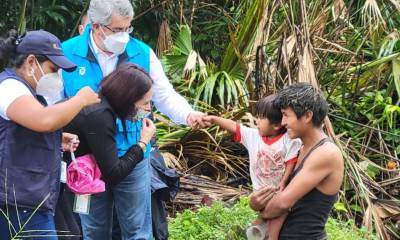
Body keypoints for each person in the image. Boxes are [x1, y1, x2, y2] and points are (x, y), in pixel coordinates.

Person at [61, 0, 205, 238]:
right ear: (96, 27)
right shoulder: (67, 53)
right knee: (93, 230)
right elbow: (52, 104)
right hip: (88, 159)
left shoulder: (141, 52)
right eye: (117, 30)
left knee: (137, 230)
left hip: (133, 152)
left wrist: (188, 114)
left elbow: (164, 95)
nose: (124, 36)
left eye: (128, 29)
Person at [0, 29, 100, 239]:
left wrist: (56, 138)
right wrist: (80, 100)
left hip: (28, 201)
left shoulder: (29, 92)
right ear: (30, 62)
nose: (57, 77)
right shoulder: (9, 88)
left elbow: (23, 129)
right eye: (53, 69)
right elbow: (44, 120)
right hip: (17, 205)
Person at [62, 63, 156, 239]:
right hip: (78, 174)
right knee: (95, 231)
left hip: (91, 169)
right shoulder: (100, 115)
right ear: (128, 99)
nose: (149, 108)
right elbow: (113, 173)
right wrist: (143, 142)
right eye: (145, 102)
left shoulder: (102, 104)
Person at [250, 83, 344, 239]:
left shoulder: (326, 153)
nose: (283, 122)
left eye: (286, 115)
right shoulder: (301, 149)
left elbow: (282, 203)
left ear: (307, 116)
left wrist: (257, 211)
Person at [203, 94, 301, 240]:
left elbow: (291, 162)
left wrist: (283, 182)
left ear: (276, 125)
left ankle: (251, 232)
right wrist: (214, 119)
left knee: (273, 230)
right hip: (260, 195)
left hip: (279, 195)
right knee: (265, 228)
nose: (256, 121)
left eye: (261, 118)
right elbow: (235, 127)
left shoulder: (289, 140)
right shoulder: (253, 136)